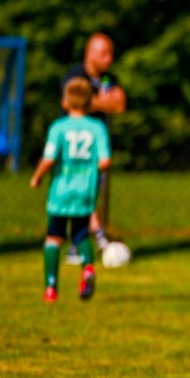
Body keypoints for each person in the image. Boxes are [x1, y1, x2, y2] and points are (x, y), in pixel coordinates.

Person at [28, 77, 110, 303]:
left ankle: (51, 287)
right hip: (85, 191)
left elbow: (49, 158)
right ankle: (88, 268)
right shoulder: (97, 127)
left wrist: (37, 177)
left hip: (61, 191)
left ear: (65, 101)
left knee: (54, 237)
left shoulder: (59, 127)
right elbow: (105, 161)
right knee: (81, 234)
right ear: (90, 102)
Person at [62, 32, 127, 254]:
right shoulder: (76, 75)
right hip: (75, 149)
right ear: (90, 54)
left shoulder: (108, 79)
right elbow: (71, 104)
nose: (109, 59)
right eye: (104, 54)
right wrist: (99, 102)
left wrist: (92, 102)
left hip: (98, 148)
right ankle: (94, 235)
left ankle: (79, 242)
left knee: (90, 194)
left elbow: (119, 104)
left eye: (111, 54)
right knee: (80, 193)